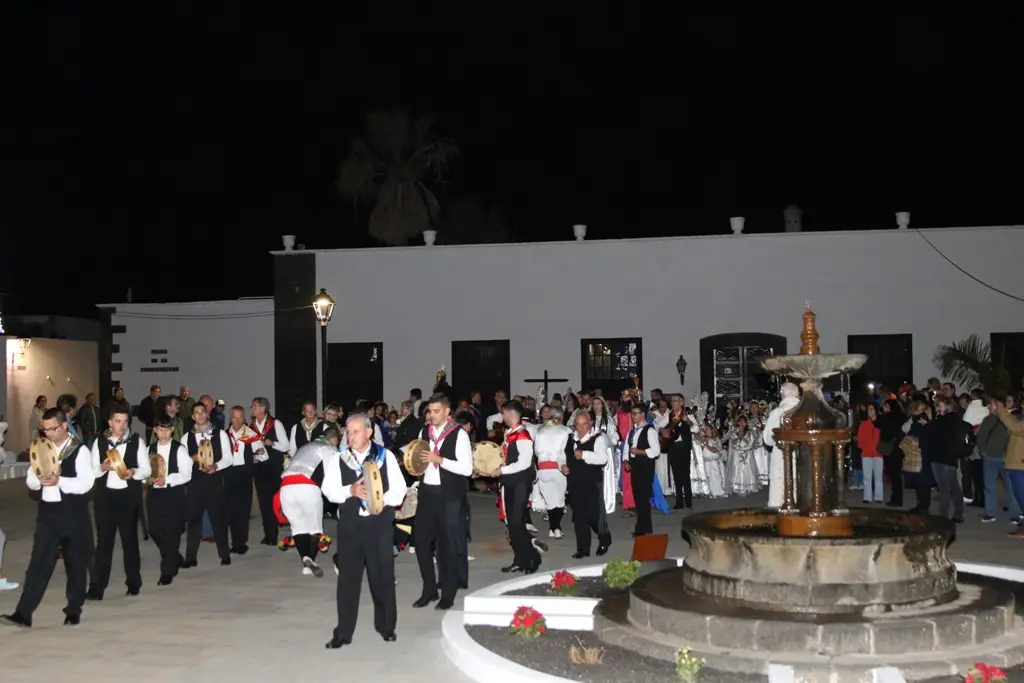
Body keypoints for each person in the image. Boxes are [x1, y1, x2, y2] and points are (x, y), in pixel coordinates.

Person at [2, 408, 95, 627]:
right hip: (48, 515)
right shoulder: (42, 448)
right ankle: (23, 613)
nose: (48, 433)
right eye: (45, 430)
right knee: (38, 564)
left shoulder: (79, 450)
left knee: (75, 563)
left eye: (52, 429)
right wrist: (39, 479)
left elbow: (87, 483)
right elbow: (31, 482)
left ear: (64, 426)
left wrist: (59, 481)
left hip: (73, 514)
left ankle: (73, 609)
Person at [322, 414, 407, 649]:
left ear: (369, 432)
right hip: (351, 527)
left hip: (378, 526)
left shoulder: (385, 456)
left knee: (382, 578)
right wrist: (349, 490)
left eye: (356, 431)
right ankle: (343, 632)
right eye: (348, 432)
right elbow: (328, 490)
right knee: (348, 581)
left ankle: (386, 627)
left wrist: (378, 500)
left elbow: (400, 490)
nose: (350, 436)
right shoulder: (339, 458)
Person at [412, 393, 472, 611]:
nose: (432, 415)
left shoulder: (459, 435)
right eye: (430, 411)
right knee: (421, 542)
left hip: (450, 496)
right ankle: (429, 589)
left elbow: (467, 469)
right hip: (427, 494)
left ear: (447, 412)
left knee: (448, 546)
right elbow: (418, 461)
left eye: (437, 411)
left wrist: (440, 460)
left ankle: (448, 593)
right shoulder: (423, 432)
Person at [87, 404, 151, 600]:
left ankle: (133, 582)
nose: (122, 426)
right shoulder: (99, 442)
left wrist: (133, 472)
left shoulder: (136, 441)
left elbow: (147, 470)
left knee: (129, 540)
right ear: (109, 422)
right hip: (105, 497)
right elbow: (91, 472)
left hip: (128, 497)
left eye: (125, 422)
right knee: (104, 542)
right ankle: (97, 586)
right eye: (118, 422)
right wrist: (103, 467)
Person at [274, 427, 340, 577]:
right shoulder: (327, 448)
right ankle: (310, 559)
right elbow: (332, 474)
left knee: (298, 528)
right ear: (334, 439)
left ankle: (306, 561)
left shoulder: (305, 447)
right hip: (307, 487)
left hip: (286, 487)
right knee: (315, 528)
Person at [182, 402, 233, 567]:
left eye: (202, 412)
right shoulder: (186, 437)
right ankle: (190, 558)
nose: (200, 415)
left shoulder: (220, 434)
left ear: (207, 413)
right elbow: (182, 462)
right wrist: (192, 458)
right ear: (193, 417)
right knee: (193, 520)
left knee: (218, 520)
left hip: (214, 482)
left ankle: (225, 555)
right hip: (195, 484)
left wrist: (216, 466)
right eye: (196, 412)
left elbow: (228, 458)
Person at [493, 400, 540, 574]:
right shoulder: (510, 433)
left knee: (517, 523)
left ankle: (531, 558)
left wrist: (502, 470)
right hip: (510, 481)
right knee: (512, 524)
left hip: (520, 482)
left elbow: (525, 463)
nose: (502, 417)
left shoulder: (523, 435)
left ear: (510, 414)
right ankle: (520, 559)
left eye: (503, 413)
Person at [147, 413, 192, 585]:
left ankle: (167, 572)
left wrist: (168, 479)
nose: (164, 433)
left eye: (167, 429)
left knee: (172, 532)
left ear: (172, 430)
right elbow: (145, 471)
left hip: (173, 495)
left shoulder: (179, 449)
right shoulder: (149, 449)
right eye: (160, 430)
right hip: (154, 495)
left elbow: (187, 474)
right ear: (156, 431)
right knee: (155, 530)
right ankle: (175, 556)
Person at [566, 409, 612, 558]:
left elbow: (602, 459)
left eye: (584, 424)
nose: (581, 428)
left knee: (595, 515)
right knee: (579, 516)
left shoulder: (598, 438)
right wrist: (563, 466)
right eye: (578, 425)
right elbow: (562, 455)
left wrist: (584, 455)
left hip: (592, 482)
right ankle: (583, 549)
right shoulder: (570, 438)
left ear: (590, 423)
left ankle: (605, 538)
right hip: (575, 482)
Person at [250, 397, 288, 546]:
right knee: (263, 502)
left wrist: (271, 443)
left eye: (255, 406)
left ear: (262, 408)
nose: (252, 409)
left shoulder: (275, 424)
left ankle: (274, 532)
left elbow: (285, 446)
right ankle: (269, 534)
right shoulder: (252, 427)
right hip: (259, 467)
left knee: (273, 501)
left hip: (273, 467)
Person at [532, 408, 571, 539]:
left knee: (549, 501)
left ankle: (552, 528)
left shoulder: (540, 431)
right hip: (558, 468)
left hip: (543, 468)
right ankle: (556, 527)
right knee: (559, 500)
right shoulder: (566, 430)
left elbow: (536, 451)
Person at [624, 404, 661, 537]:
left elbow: (656, 451)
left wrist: (639, 452)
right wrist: (626, 460)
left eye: (635, 413)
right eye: (632, 413)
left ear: (642, 414)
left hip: (645, 466)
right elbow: (627, 447)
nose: (633, 416)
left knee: (643, 497)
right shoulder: (632, 430)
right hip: (635, 465)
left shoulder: (650, 431)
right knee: (638, 497)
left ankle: (642, 528)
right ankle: (645, 526)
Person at [763, 382, 801, 508]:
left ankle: (778, 517)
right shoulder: (804, 412)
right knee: (797, 483)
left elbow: (768, 439)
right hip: (801, 455)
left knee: (779, 485)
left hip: (780, 455)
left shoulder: (777, 413)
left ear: (782, 394)